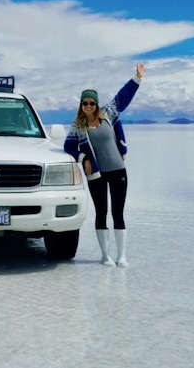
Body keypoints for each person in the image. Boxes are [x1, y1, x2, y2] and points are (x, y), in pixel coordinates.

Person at [64, 63, 145, 267]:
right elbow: (68, 146)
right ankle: (105, 256)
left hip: (118, 170)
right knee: (101, 213)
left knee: (118, 213)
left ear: (97, 104)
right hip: (97, 176)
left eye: (92, 103)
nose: (89, 106)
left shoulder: (108, 114)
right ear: (81, 105)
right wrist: (84, 159)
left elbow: (123, 96)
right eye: (85, 103)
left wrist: (137, 78)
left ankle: (122, 256)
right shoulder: (77, 126)